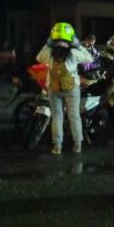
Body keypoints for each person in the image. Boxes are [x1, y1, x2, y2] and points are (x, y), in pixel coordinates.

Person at [36, 22, 93, 154]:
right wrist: (78, 45)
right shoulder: (73, 52)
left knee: (57, 117)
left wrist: (48, 44)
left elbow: (39, 58)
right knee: (74, 116)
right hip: (72, 89)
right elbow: (89, 58)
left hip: (54, 88)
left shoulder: (50, 52)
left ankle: (57, 146)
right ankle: (77, 145)